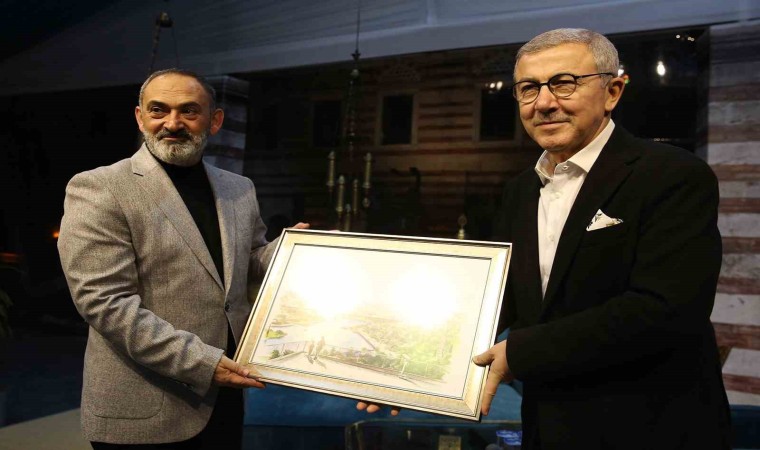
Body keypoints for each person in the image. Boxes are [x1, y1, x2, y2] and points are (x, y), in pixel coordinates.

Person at [471, 28, 731, 449]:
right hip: (548, 425)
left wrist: (519, 353)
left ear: (612, 92)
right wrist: (406, 367)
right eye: (528, 88)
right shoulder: (520, 190)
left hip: (650, 429)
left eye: (564, 83)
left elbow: (666, 310)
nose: (544, 102)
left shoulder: (673, 174)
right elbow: (501, 298)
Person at [58, 68, 308, 449]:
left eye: (189, 111)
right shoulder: (99, 187)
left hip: (224, 399)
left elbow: (248, 265)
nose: (172, 123)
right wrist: (203, 363)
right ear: (140, 117)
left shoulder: (239, 188)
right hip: (146, 408)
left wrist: (291, 251)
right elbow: (106, 304)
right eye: (158, 110)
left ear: (215, 121)